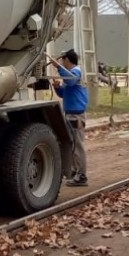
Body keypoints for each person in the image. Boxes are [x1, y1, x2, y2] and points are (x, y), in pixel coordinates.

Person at [48, 49, 89, 187]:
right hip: (71, 113)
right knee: (72, 145)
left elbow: (71, 82)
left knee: (77, 145)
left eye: (62, 60)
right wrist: (57, 88)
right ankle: (75, 172)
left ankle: (81, 175)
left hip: (76, 115)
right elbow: (65, 93)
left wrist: (58, 68)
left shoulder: (76, 72)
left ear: (67, 60)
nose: (61, 62)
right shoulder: (71, 75)